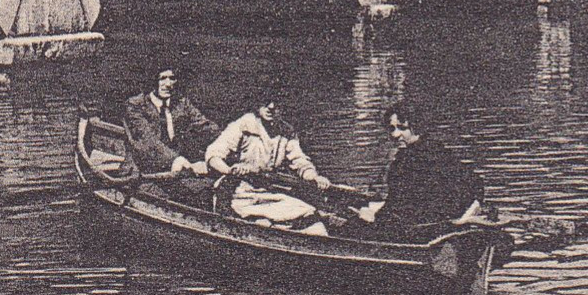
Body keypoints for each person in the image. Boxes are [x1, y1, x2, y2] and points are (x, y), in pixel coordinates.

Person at [205, 94, 335, 236]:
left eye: (276, 103)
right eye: (266, 102)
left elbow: (300, 161)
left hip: (269, 191)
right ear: (257, 104)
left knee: (314, 223)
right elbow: (213, 155)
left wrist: (315, 177)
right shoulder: (244, 125)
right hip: (239, 192)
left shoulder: (286, 131)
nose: (271, 107)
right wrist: (231, 170)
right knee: (263, 226)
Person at [357, 103, 485, 236]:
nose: (395, 134)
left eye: (402, 128)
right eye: (391, 128)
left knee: (355, 222)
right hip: (436, 220)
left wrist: (375, 216)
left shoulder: (412, 160)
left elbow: (403, 204)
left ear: (416, 126)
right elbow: (475, 183)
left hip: (421, 228)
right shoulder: (435, 149)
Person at [124, 67, 219, 203]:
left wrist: (231, 142)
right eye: (162, 78)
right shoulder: (135, 106)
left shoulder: (181, 103)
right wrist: (176, 160)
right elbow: (148, 141)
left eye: (172, 78)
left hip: (175, 173)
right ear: (152, 80)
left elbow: (206, 127)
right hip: (142, 174)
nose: (168, 84)